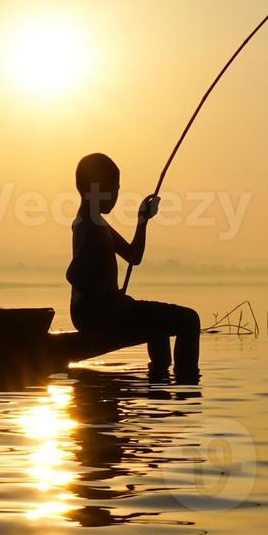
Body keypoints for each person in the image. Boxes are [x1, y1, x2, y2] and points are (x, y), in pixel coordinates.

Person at [67, 152, 200, 378]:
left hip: (99, 311)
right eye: (115, 188)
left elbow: (133, 256)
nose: (117, 195)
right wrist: (109, 301)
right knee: (189, 319)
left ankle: (159, 378)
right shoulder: (90, 226)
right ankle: (185, 382)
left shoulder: (96, 222)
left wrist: (142, 220)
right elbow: (74, 274)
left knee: (158, 324)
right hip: (98, 315)